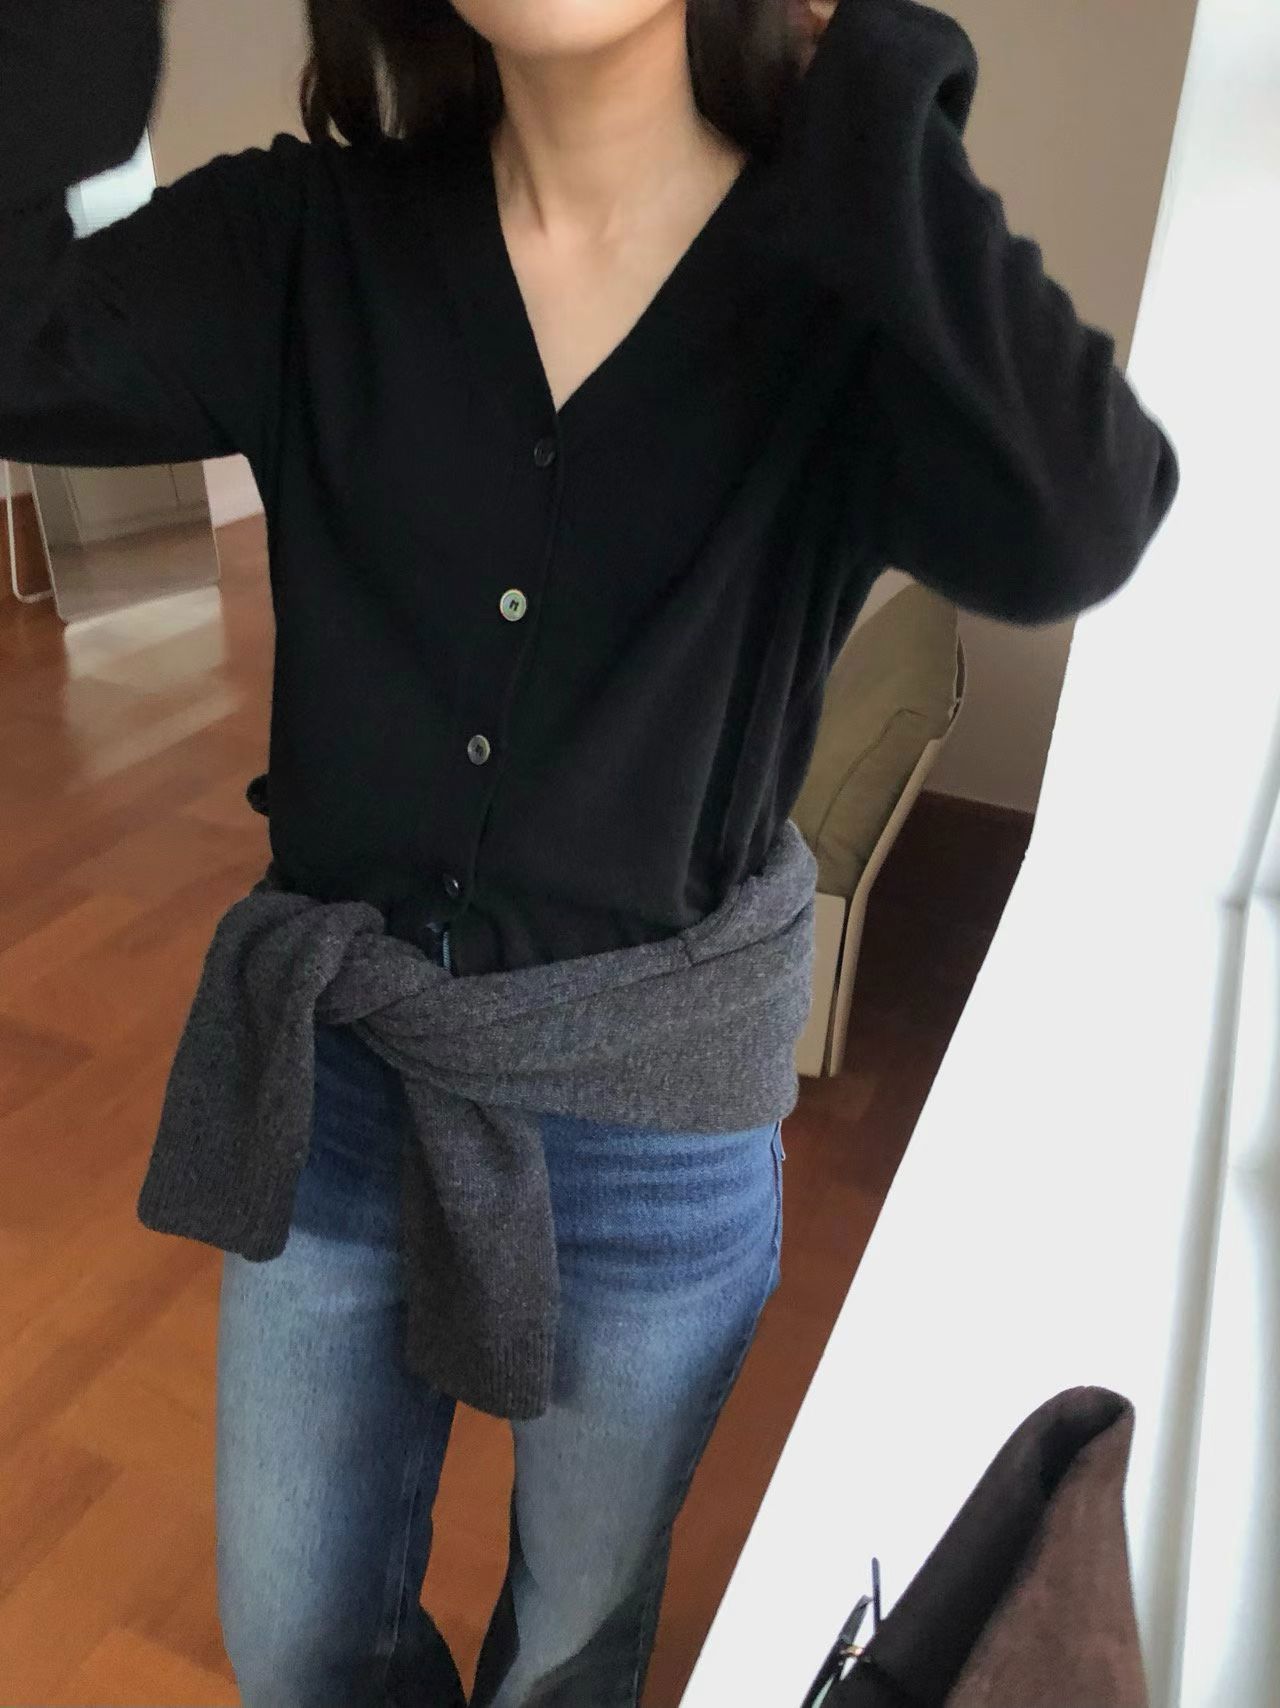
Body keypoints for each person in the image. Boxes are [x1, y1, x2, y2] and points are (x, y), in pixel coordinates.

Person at [0, 1, 1179, 1703]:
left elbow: (1080, 518)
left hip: (656, 1126)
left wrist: (855, 72)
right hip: (344, 1080)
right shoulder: (307, 239)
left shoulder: (843, 290)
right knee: (297, 1640)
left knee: (575, 1648)